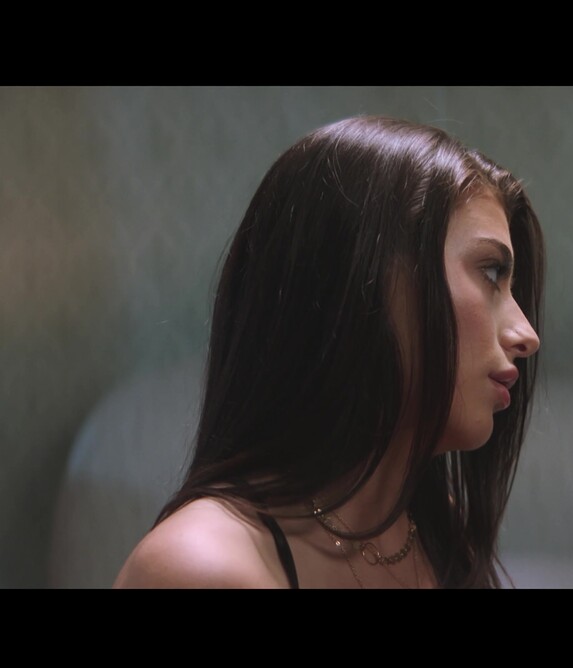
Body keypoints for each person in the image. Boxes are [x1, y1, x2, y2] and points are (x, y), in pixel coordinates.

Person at [114, 116, 543, 588]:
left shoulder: (434, 535)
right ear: (365, 279)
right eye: (490, 273)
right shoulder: (201, 568)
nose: (526, 334)